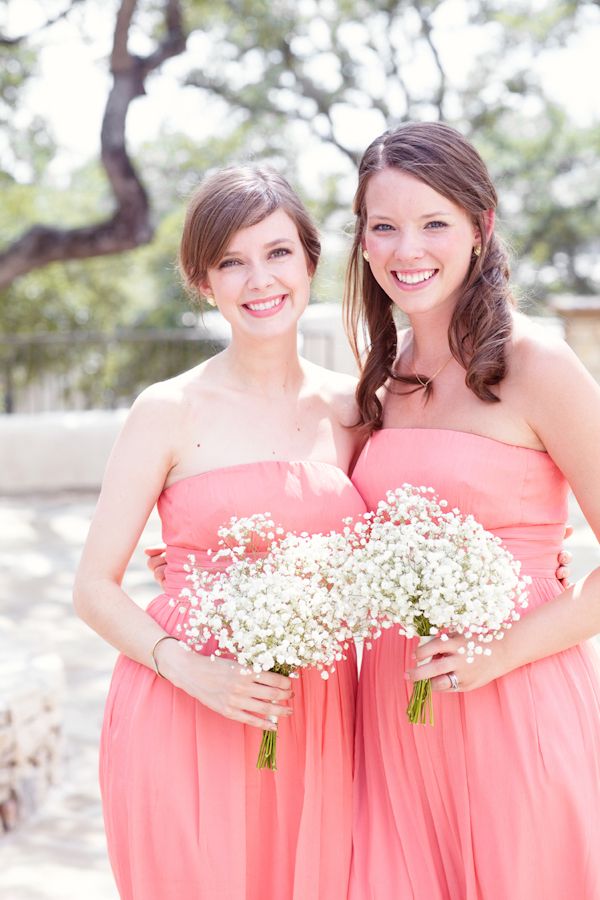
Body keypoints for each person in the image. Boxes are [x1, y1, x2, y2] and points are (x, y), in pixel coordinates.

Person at [73, 166, 368, 900]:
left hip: (318, 714)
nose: (258, 279)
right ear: (205, 282)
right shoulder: (167, 410)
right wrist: (191, 669)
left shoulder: (356, 407)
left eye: (276, 253)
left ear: (308, 261)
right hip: (183, 709)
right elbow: (92, 588)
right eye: (230, 261)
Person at [344, 121, 600, 900]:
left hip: (511, 700)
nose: (405, 250)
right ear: (361, 242)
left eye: (433, 223)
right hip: (391, 707)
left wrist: (500, 654)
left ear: (481, 228)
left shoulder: (536, 365)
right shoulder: (383, 382)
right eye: (383, 226)